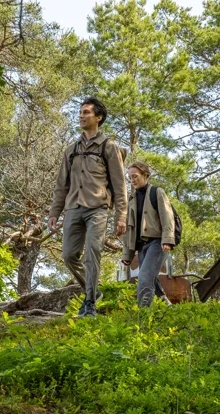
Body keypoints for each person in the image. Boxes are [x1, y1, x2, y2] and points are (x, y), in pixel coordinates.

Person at [48, 97, 128, 317]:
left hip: (98, 208)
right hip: (73, 207)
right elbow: (61, 185)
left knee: (92, 252)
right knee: (68, 255)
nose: (81, 116)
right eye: (80, 112)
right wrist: (54, 213)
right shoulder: (71, 150)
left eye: (86, 113)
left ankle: (90, 302)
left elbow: (120, 186)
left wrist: (121, 216)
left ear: (98, 117)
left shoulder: (108, 146)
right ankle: (93, 291)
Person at [120, 162, 175, 308]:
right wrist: (127, 254)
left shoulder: (157, 192)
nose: (132, 180)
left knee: (144, 278)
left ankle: (143, 316)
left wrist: (167, 240)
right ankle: (169, 308)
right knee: (151, 280)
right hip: (141, 246)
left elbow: (167, 217)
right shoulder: (131, 200)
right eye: (130, 177)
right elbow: (129, 230)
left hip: (157, 243)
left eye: (135, 176)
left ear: (145, 175)